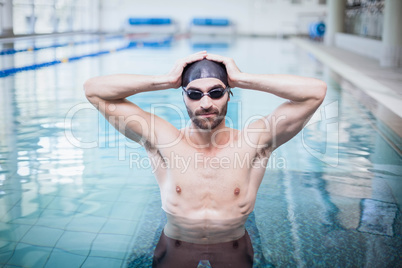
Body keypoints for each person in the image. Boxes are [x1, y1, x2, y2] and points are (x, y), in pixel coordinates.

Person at [84, 51, 327, 267]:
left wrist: (241, 78)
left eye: (216, 92)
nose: (206, 103)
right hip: (175, 250)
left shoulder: (254, 142)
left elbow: (315, 92)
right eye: (194, 94)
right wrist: (165, 81)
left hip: (233, 249)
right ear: (183, 96)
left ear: (229, 94)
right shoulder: (162, 139)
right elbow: (94, 91)